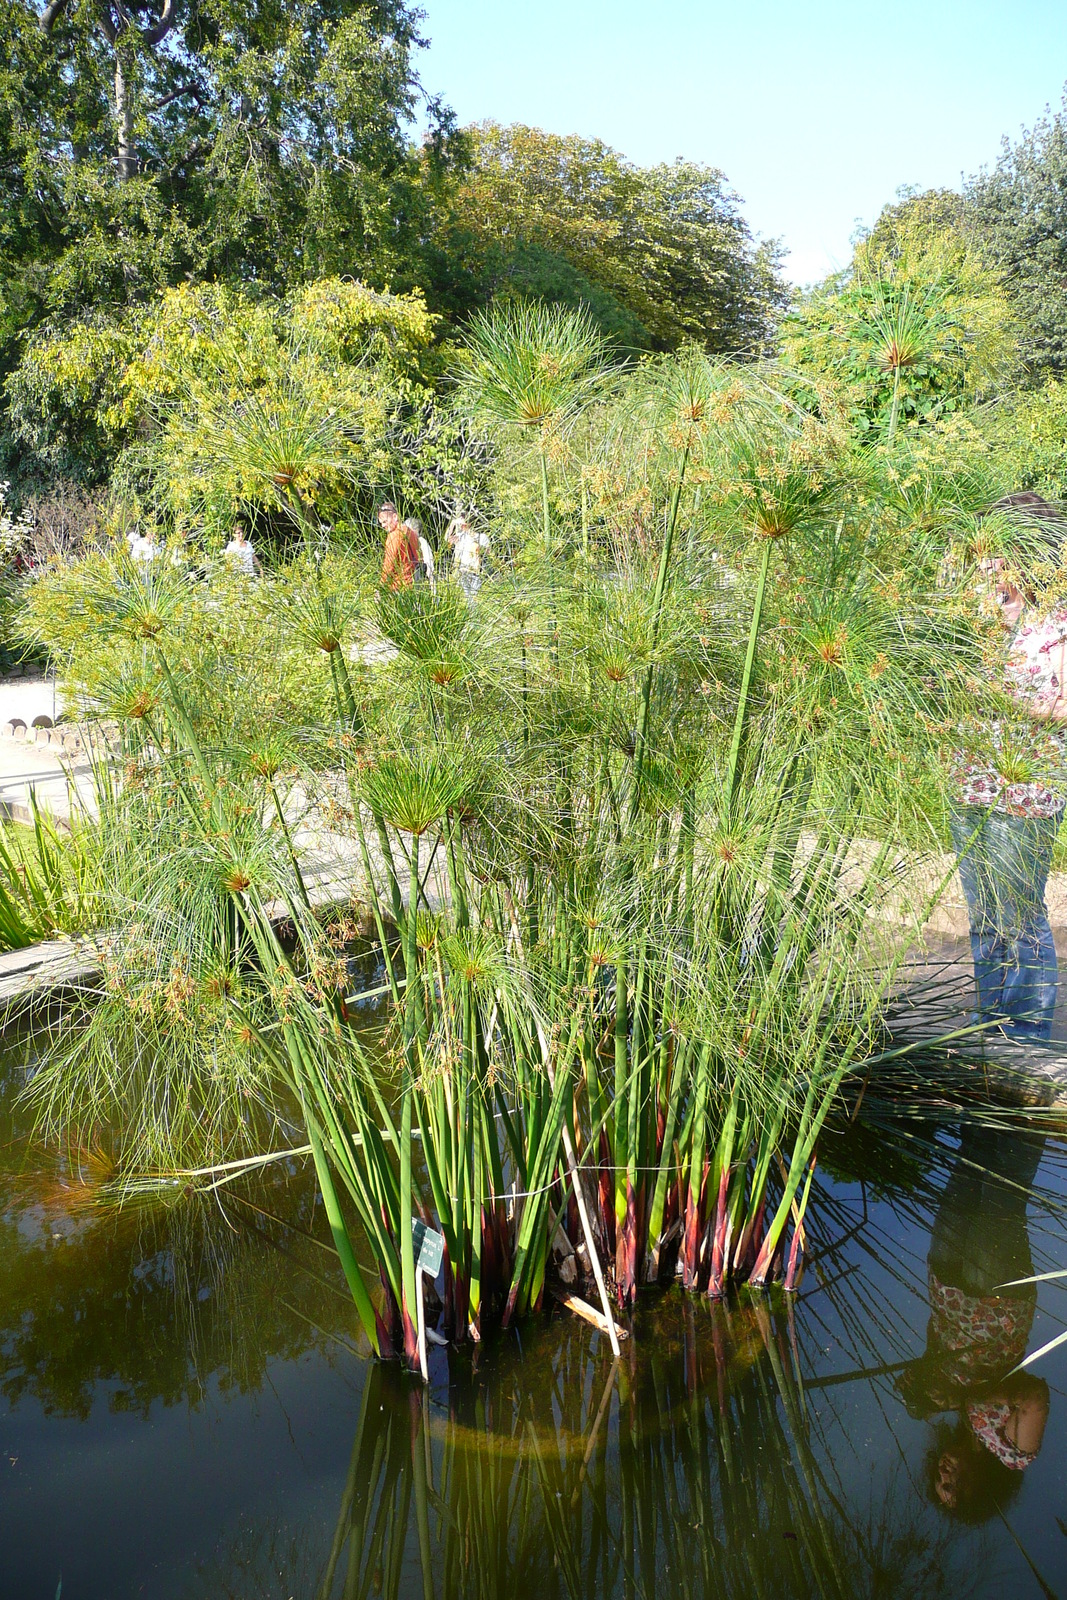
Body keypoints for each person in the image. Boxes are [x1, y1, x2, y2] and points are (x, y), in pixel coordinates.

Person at [952, 492, 1067, 1042]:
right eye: (985, 551)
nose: (988, 563)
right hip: (968, 783)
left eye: (1000, 551)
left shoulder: (1058, 618)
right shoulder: (969, 617)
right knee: (982, 915)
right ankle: (990, 1022)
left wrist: (1001, 700)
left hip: (1027, 792)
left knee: (1018, 914)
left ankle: (1026, 1034)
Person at [897, 1124, 1049, 1522]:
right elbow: (1033, 1398)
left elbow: (942, 1356)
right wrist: (971, 1397)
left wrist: (922, 1379)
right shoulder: (1014, 1453)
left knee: (962, 1185)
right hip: (997, 1306)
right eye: (951, 1486)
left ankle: (988, 1101)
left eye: (937, 1479)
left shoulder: (960, 1421)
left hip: (948, 1295)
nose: (942, 1474)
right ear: (980, 1488)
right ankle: (1029, 1114)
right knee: (1000, 1202)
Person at [446, 511, 489, 601]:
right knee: (468, 599)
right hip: (463, 571)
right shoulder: (461, 536)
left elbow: (488, 553)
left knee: (474, 599)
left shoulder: (482, 537)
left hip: (476, 573)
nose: (461, 525)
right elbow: (447, 539)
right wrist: (453, 523)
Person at [379, 501, 419, 590]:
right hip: (415, 583)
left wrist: (381, 586)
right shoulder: (410, 532)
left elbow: (389, 564)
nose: (383, 525)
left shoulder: (394, 536)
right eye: (381, 523)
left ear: (395, 516)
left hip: (399, 587)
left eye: (385, 521)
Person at [406, 516, 435, 592]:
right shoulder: (402, 543)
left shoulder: (422, 542)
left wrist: (433, 587)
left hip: (418, 581)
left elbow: (429, 563)